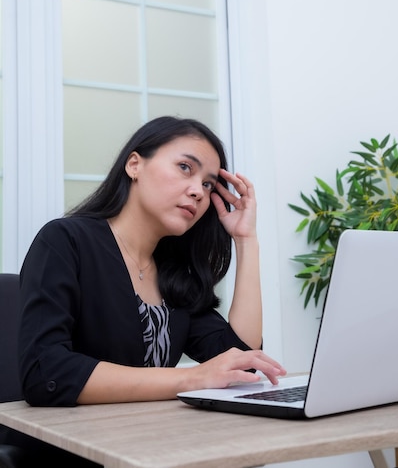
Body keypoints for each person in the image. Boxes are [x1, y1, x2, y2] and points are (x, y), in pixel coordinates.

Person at [18, 115, 286, 409]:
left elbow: (240, 363)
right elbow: (46, 374)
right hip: (71, 447)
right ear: (135, 165)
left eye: (209, 184)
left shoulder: (175, 272)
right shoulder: (66, 241)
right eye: (185, 168)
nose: (198, 191)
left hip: (149, 439)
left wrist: (246, 240)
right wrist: (189, 379)